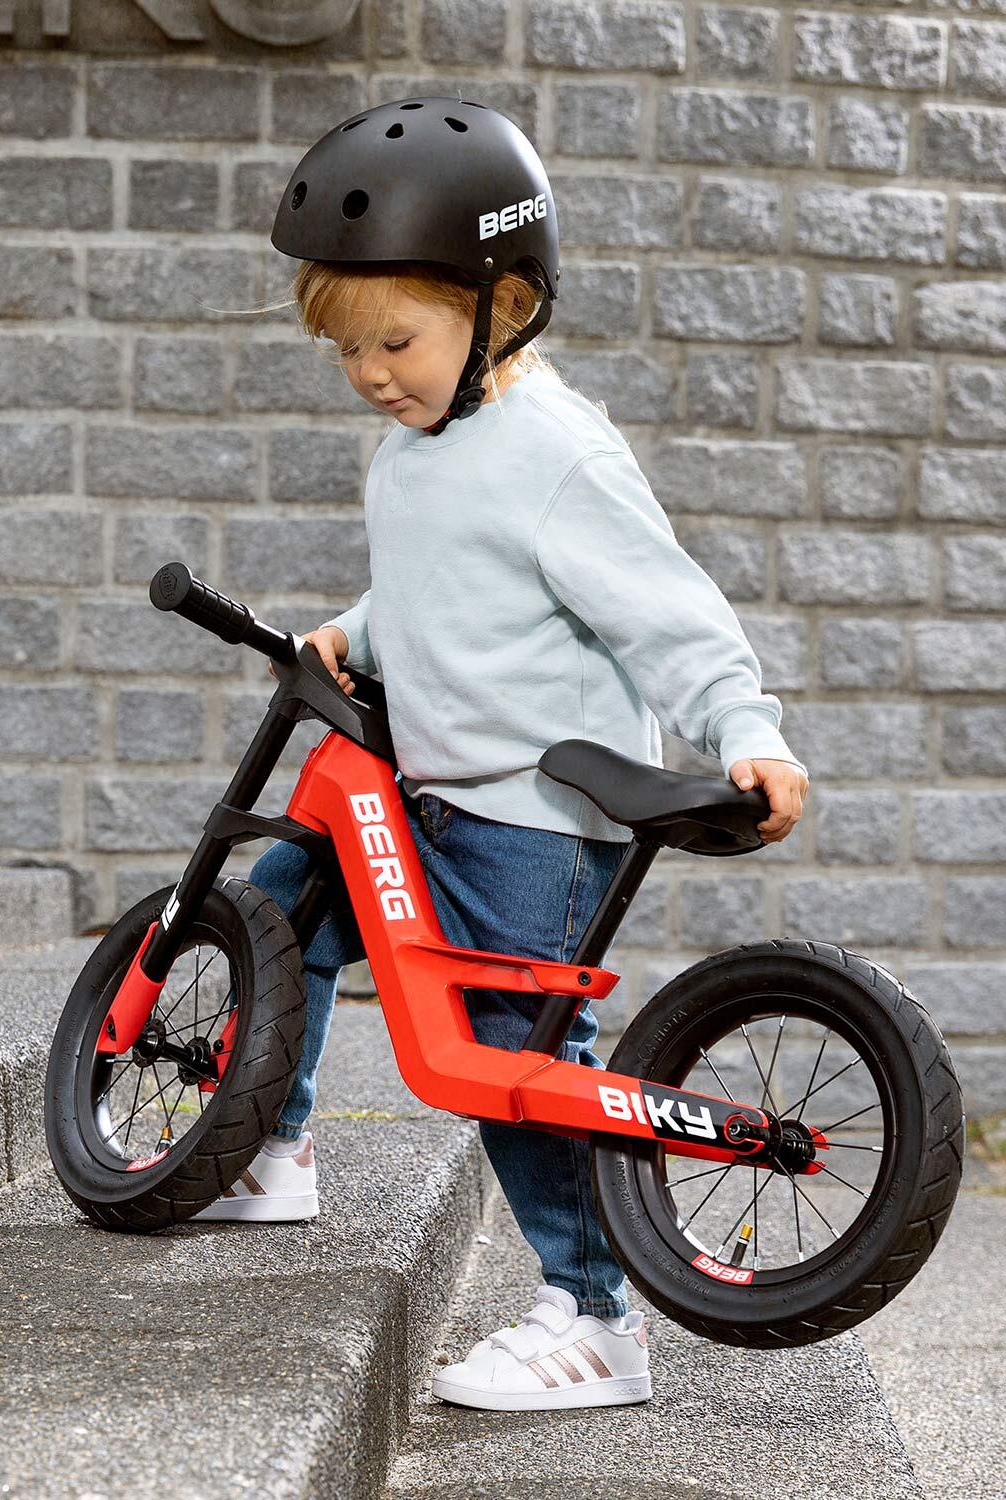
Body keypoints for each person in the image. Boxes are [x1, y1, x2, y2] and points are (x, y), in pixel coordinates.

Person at [194, 96, 810, 1412]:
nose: (372, 374)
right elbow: (445, 589)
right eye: (349, 350)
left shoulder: (556, 454)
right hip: (437, 800)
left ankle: (596, 1319)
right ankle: (271, 1139)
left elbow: (670, 612)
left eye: (397, 340)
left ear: (506, 303)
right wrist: (357, 633)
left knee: (515, 1063)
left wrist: (745, 727)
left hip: (534, 823)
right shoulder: (419, 448)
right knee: (290, 897)